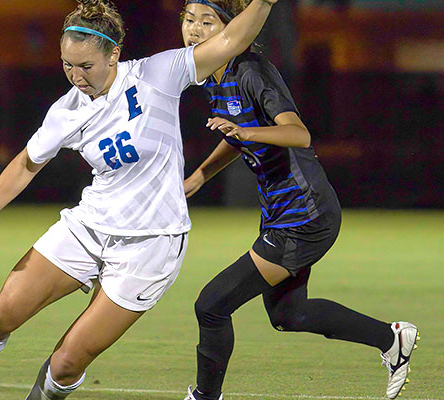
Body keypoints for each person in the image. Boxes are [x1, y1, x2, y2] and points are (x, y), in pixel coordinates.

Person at [0, 0, 278, 399]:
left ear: (114, 56)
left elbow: (231, 39)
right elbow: (26, 163)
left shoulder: (156, 74)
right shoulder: (66, 111)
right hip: (88, 227)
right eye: (67, 65)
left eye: (85, 66)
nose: (76, 76)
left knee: (66, 362)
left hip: (151, 244)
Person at [179, 1, 419, 400]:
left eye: (208, 21)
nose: (195, 29)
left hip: (305, 217)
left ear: (232, 27)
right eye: (189, 20)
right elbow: (238, 134)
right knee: (290, 315)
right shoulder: (211, 75)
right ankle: (391, 339)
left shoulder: (252, 71)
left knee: (211, 305)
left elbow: (298, 134)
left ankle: (205, 397)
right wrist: (200, 176)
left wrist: (246, 132)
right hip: (283, 214)